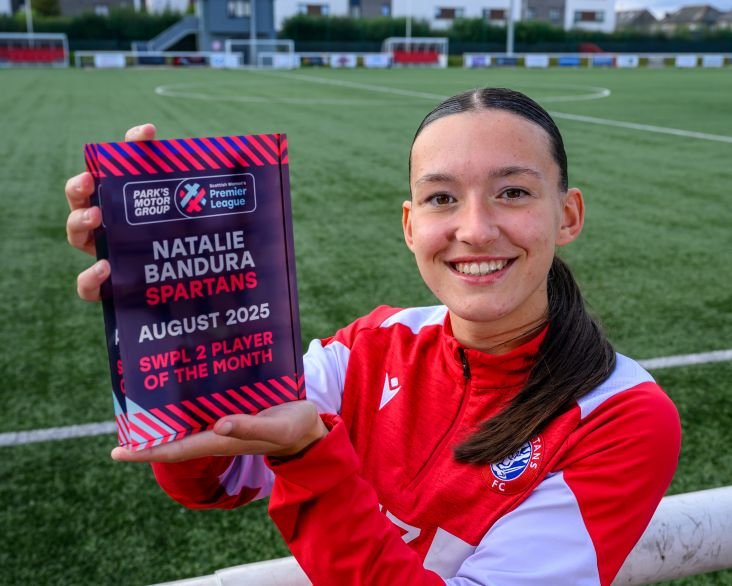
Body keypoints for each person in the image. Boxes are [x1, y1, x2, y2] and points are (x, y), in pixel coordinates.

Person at [66, 88, 681, 585]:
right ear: (411, 226)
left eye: (513, 192)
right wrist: (181, 308)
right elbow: (218, 478)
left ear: (567, 215)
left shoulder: (622, 417)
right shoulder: (371, 344)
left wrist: (308, 457)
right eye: (442, 197)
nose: (474, 229)